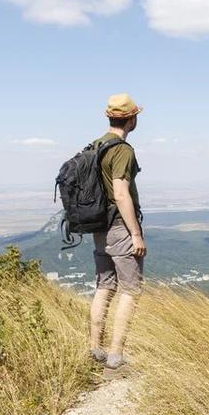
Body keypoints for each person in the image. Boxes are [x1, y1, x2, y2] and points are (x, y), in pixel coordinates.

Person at [88, 93, 147, 369]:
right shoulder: (122, 150)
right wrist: (135, 233)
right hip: (119, 225)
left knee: (104, 286)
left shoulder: (96, 145)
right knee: (130, 290)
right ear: (131, 119)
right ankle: (116, 355)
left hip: (98, 226)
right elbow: (121, 194)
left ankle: (95, 348)